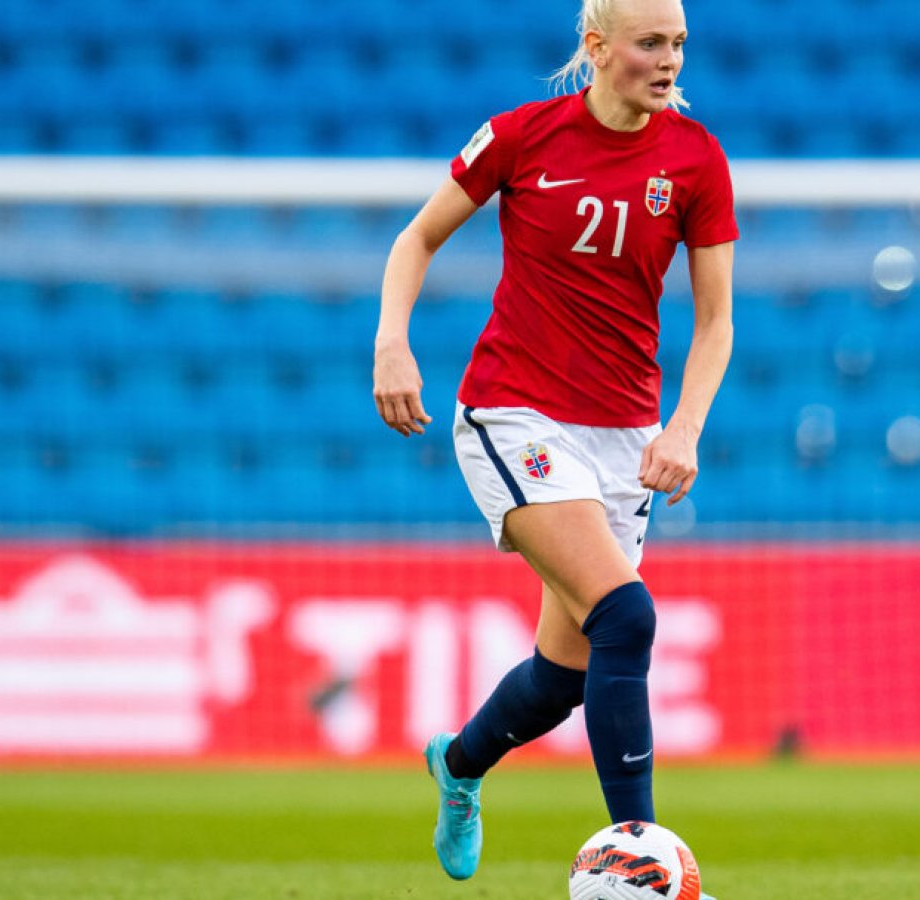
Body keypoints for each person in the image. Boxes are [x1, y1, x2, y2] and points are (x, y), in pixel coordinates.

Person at [372, 0, 735, 886]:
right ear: (597, 46)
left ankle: (458, 763)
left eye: (679, 43)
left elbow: (718, 319)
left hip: (625, 436)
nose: (669, 61)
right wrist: (391, 342)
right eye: (651, 43)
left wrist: (683, 427)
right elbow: (415, 238)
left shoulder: (695, 159)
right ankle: (641, 862)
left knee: (569, 671)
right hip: (514, 413)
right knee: (628, 614)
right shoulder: (521, 136)